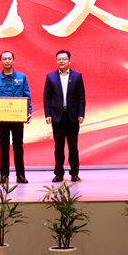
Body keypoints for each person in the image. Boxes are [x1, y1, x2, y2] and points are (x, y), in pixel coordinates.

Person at [0, 51, 32, 184]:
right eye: (4, 59)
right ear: (1, 61)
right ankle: (4, 175)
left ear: (13, 60)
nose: (7, 61)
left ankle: (21, 175)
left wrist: (28, 112)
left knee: (18, 146)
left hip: (18, 118)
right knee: (4, 147)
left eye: (9, 59)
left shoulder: (22, 77)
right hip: (2, 119)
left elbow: (27, 95)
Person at [43, 50, 86, 182]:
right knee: (58, 147)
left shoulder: (77, 76)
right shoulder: (50, 76)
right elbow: (47, 97)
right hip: (57, 117)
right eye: (59, 59)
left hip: (72, 117)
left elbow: (81, 97)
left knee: (73, 147)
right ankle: (59, 173)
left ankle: (74, 173)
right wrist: (48, 114)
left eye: (64, 59)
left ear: (69, 61)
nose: (61, 61)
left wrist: (81, 113)